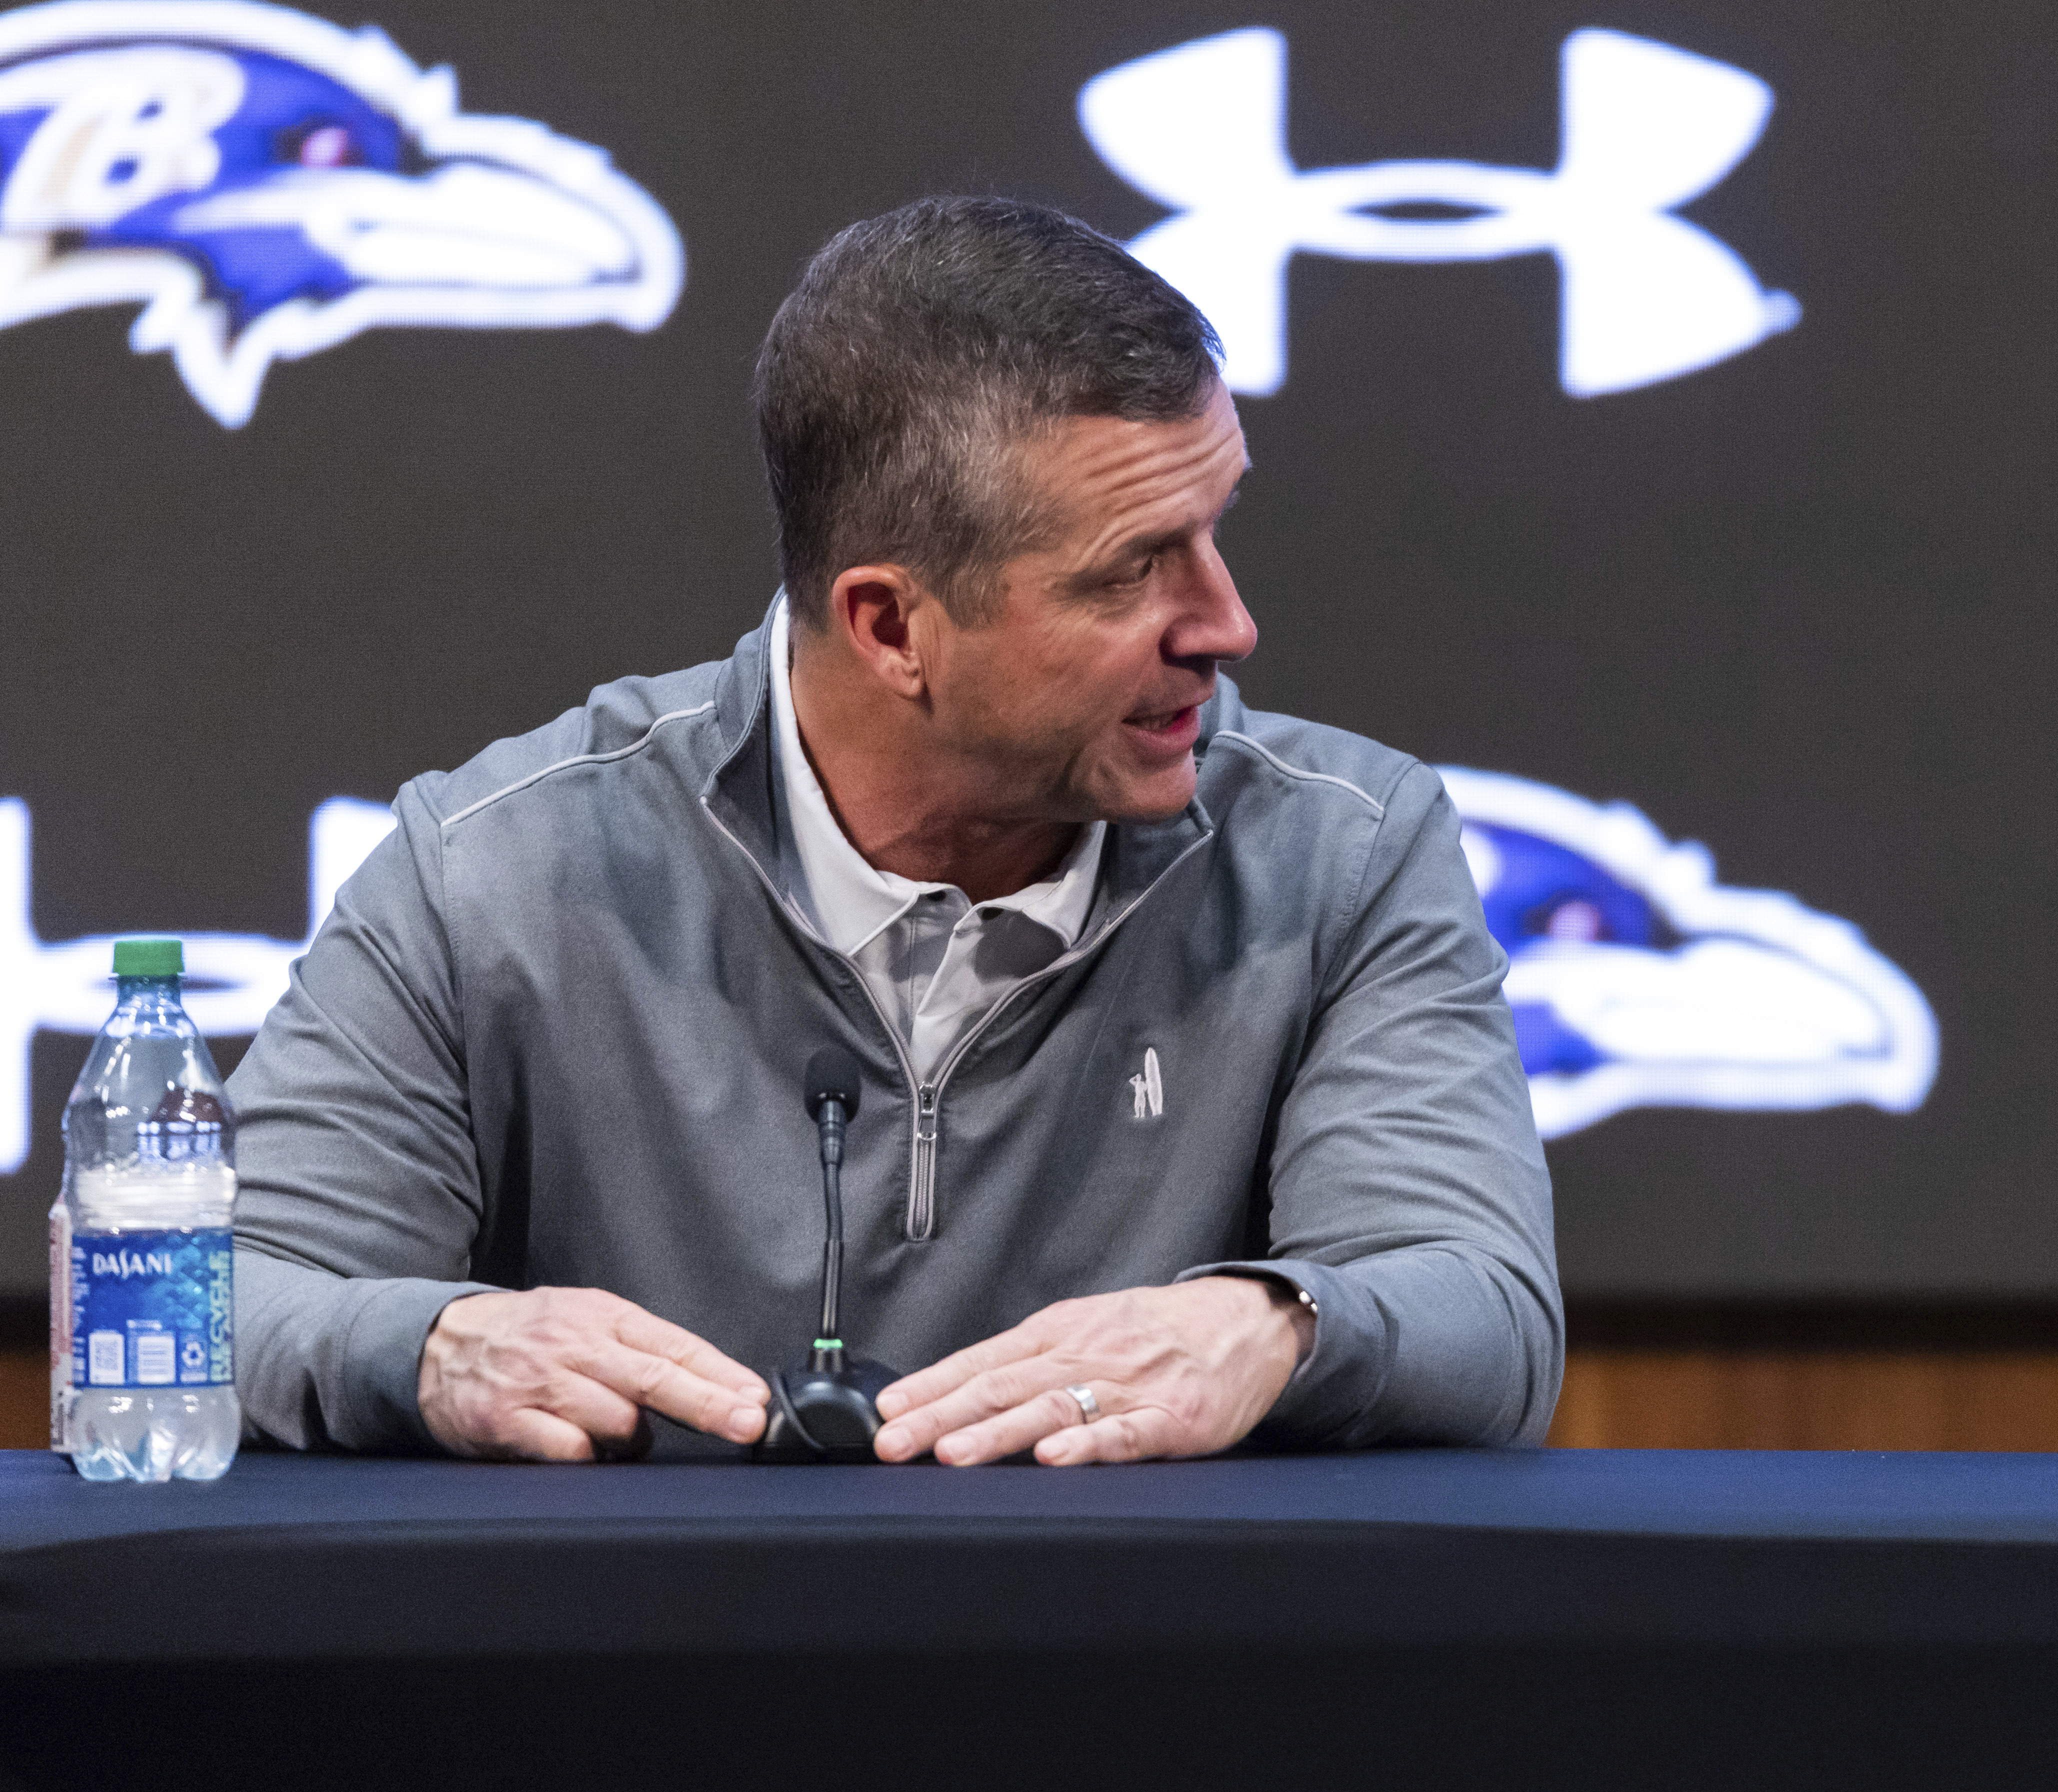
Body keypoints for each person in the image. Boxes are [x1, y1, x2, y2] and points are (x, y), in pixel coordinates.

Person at [231, 198, 1560, 1462]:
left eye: (1212, 531)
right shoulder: (499, 867)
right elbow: (189, 1304)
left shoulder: (1341, 852)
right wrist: (432, 1348)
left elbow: (1482, 1306)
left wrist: (1269, 1324)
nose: (1225, 625)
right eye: (1129, 571)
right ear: (890, 626)